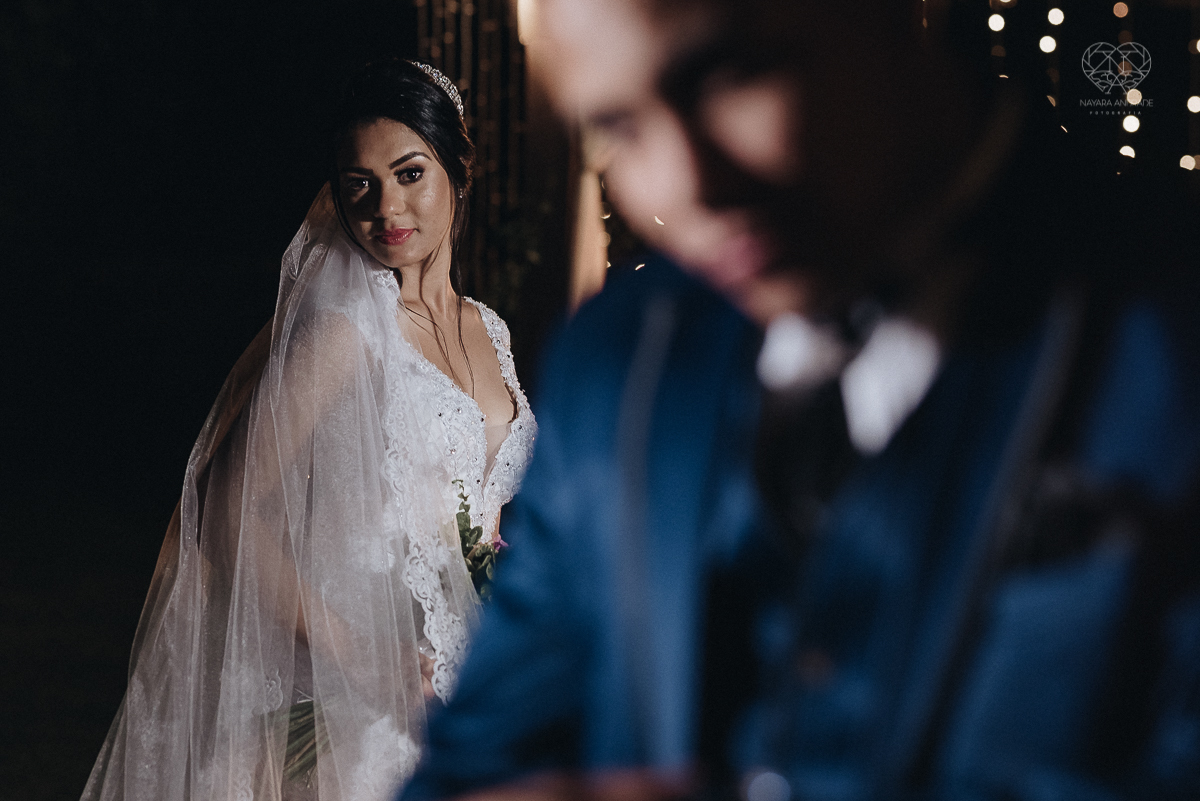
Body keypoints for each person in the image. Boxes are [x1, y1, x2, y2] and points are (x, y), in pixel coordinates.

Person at [402, 1, 1200, 799]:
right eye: (621, 126)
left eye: (730, 76)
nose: (688, 185)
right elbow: (470, 766)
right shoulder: (616, 356)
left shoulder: (1168, 325)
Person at [82, 58, 536, 801]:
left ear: (459, 169)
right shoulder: (346, 332)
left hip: (486, 682)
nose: (386, 206)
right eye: (360, 184)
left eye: (409, 173)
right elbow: (226, 508)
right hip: (381, 698)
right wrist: (359, 653)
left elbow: (487, 512)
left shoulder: (489, 329)